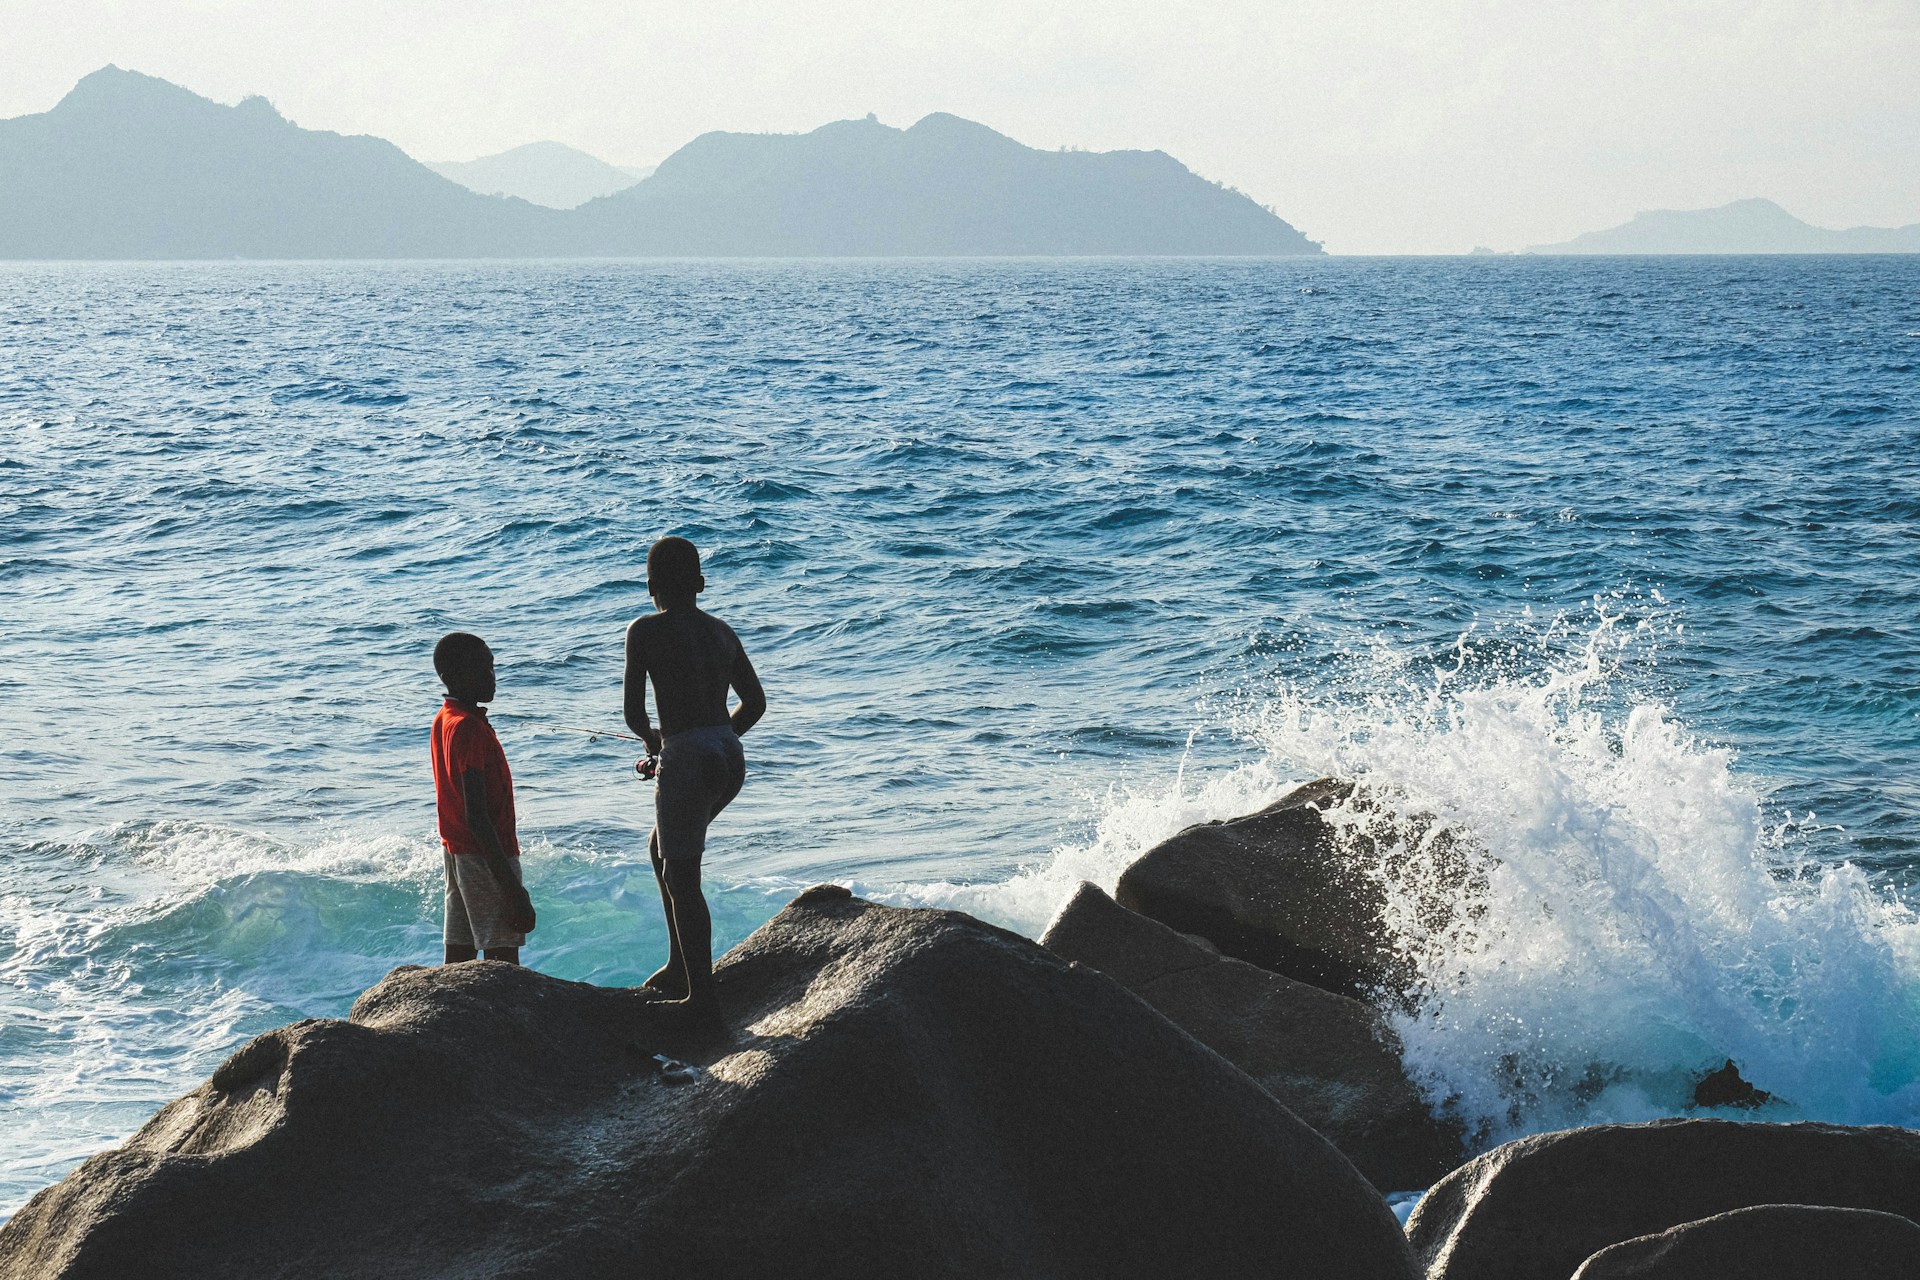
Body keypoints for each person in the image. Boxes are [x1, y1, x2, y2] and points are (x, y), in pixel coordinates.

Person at [625, 536, 766, 1027]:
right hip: (729, 752)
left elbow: (634, 715)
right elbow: (756, 703)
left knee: (682, 876)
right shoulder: (722, 631)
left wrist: (656, 743)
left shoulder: (644, 630)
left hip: (687, 755)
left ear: (650, 588)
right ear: (701, 584)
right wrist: (717, 736)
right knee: (660, 849)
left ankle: (701, 1000)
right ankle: (680, 964)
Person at [430, 632, 537, 965]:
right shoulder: (469, 728)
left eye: (491, 667)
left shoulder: (445, 719)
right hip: (486, 854)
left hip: (458, 852)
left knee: (459, 954)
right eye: (480, 669)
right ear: (451, 676)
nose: (491, 677)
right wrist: (511, 888)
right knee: (503, 958)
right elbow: (477, 814)